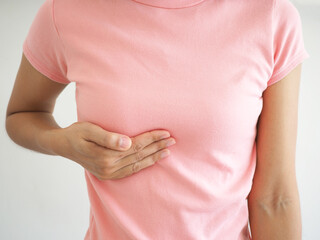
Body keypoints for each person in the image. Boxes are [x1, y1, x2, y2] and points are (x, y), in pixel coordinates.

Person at [5, 0, 310, 239]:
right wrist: (62, 143)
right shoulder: (65, 12)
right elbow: (22, 114)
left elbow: (275, 197)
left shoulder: (270, 17)